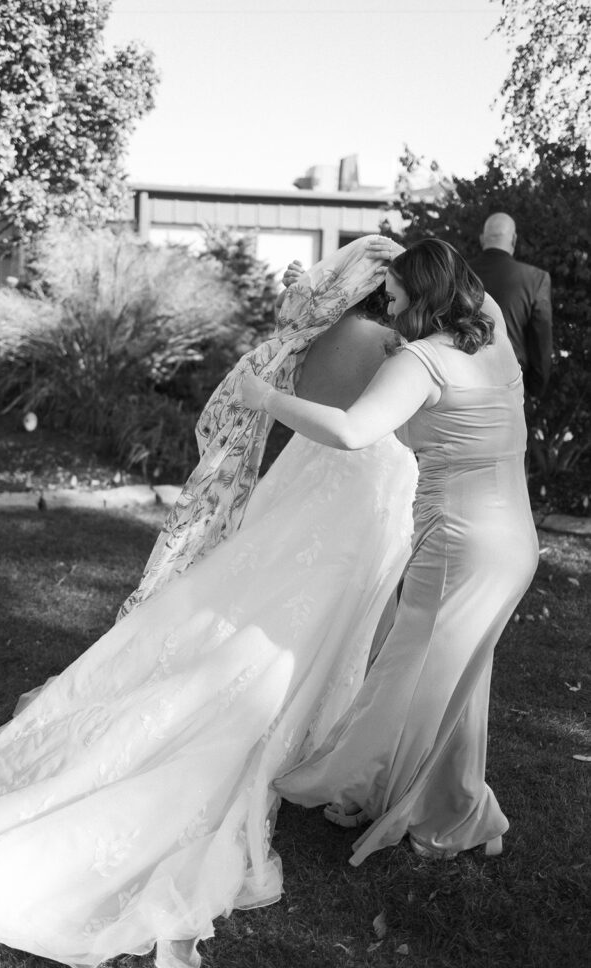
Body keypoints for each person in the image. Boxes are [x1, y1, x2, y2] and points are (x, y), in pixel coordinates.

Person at [0, 239, 419, 968]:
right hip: (359, 504)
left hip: (309, 493)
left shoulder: (310, 339)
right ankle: (306, 745)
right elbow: (383, 428)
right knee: (300, 634)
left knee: (268, 617)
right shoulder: (397, 348)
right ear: (385, 289)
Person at [242, 237, 539, 865]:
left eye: (397, 292)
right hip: (513, 540)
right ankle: (438, 803)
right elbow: (439, 272)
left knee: (412, 681)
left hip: (461, 545)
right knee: (454, 684)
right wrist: (323, 286)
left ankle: (439, 814)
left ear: (423, 294)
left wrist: (264, 399)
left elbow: (352, 431)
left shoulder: (423, 361)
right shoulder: (488, 332)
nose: (389, 300)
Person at [469, 212, 553, 398]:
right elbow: (541, 341)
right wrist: (535, 389)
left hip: (462, 381)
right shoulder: (535, 279)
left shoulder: (458, 274)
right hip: (511, 383)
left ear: (483, 239)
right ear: (514, 239)